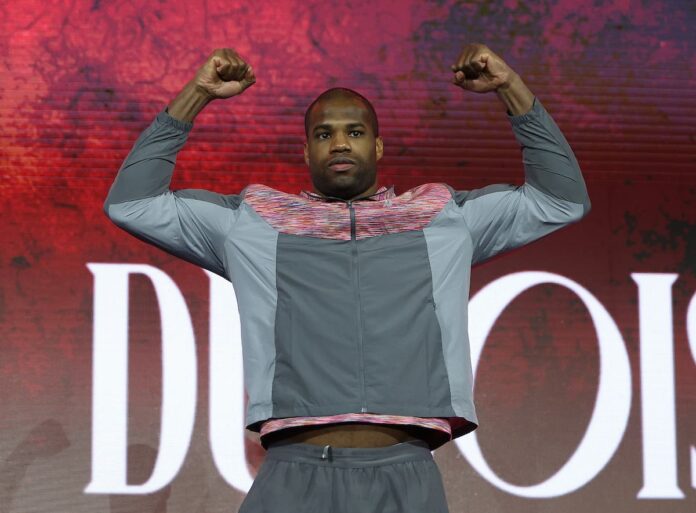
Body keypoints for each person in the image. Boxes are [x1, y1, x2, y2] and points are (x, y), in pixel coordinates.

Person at [104, 43, 591, 513]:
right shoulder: (252, 221)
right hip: (293, 475)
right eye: (323, 134)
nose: (339, 142)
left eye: (354, 132)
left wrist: (511, 88)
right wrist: (197, 94)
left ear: (377, 144)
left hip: (405, 473)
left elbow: (561, 200)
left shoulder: (442, 215)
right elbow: (133, 204)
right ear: (306, 150)